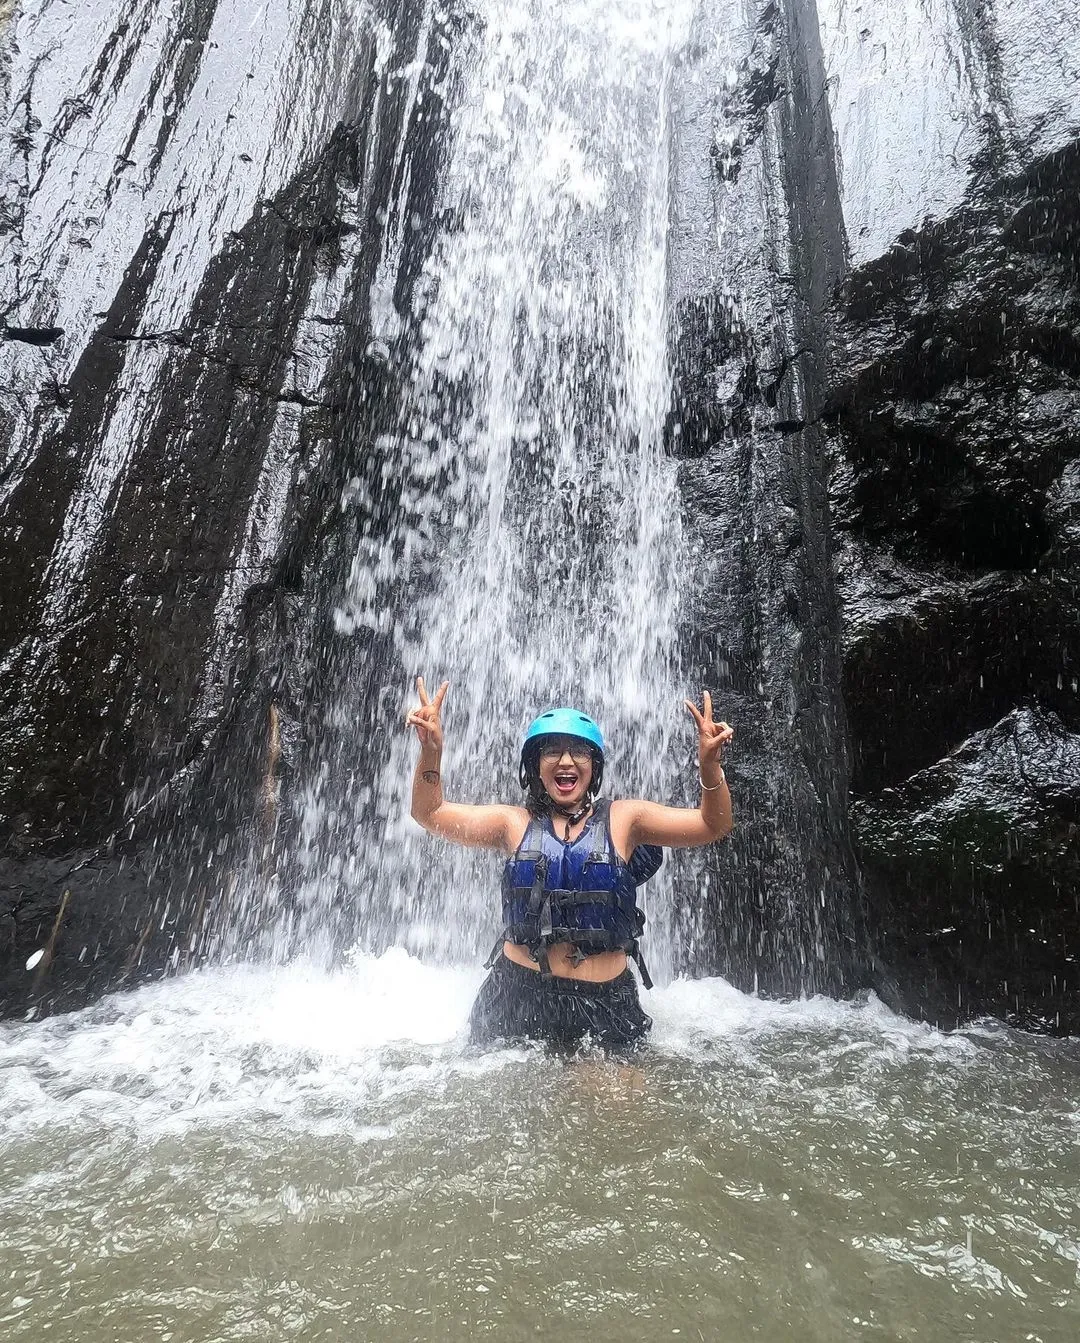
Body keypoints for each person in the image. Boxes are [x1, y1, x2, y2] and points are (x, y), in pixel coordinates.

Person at [406, 677, 733, 1052]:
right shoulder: (512, 824)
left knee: (621, 1109)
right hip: (517, 998)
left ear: (594, 765)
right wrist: (430, 752)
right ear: (535, 766)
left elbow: (713, 825)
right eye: (552, 752)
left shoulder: (627, 819)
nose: (565, 761)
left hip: (604, 1005)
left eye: (579, 751)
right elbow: (428, 812)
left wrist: (709, 766)